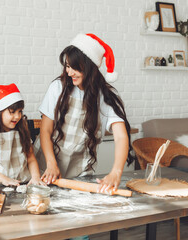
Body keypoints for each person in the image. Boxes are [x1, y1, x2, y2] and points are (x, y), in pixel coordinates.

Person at [35, 33, 135, 194]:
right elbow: (45, 131)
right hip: (46, 163)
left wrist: (116, 172)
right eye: (67, 66)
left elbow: (121, 136)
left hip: (80, 168)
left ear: (89, 67)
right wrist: (51, 163)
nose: (69, 72)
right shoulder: (57, 88)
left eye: (74, 67)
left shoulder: (105, 97)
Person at [0, 83, 46, 187]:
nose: (17, 116)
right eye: (12, 112)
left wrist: (35, 177)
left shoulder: (22, 131)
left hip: (23, 184)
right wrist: (3, 179)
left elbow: (31, 158)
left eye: (20, 111)